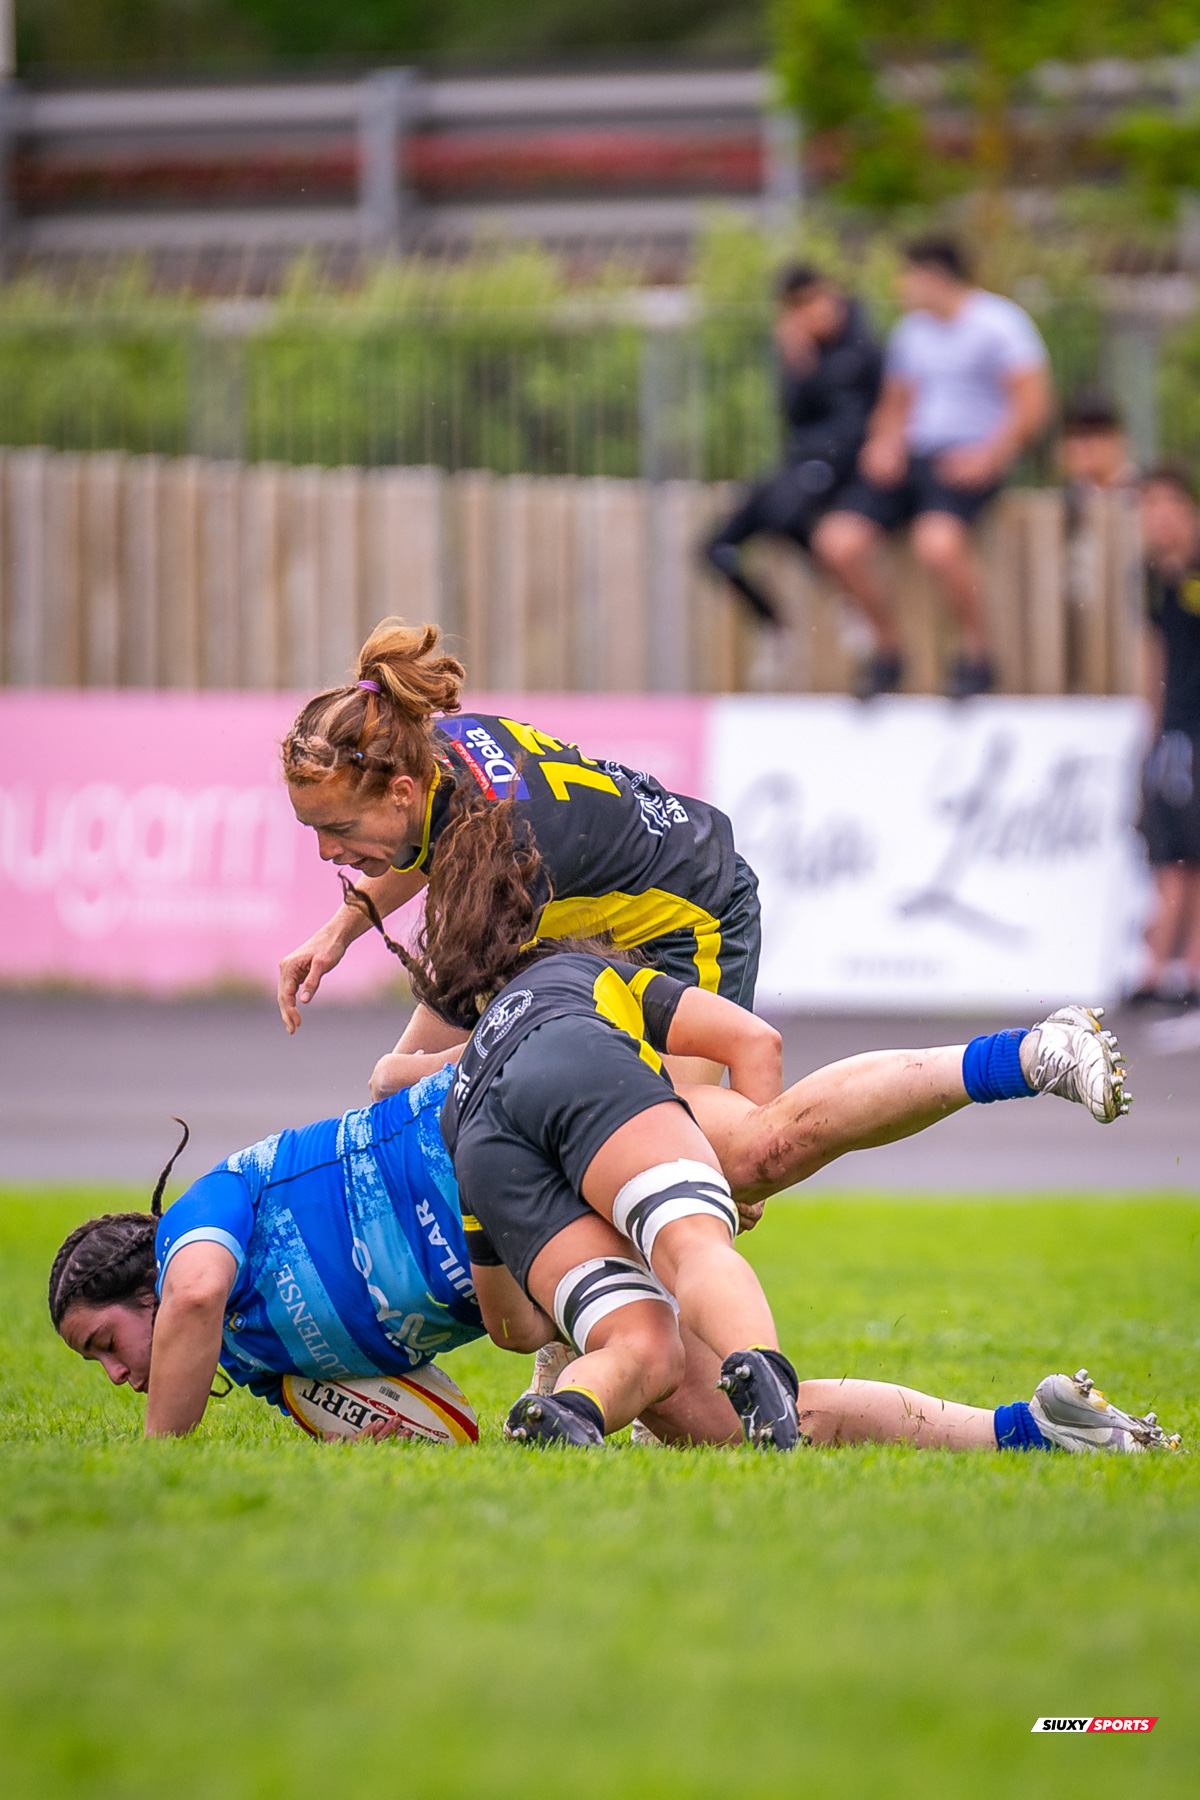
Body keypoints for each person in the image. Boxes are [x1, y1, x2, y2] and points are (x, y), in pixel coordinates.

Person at [350, 792, 1135, 1451]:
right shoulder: (566, 976)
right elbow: (747, 1038)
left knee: (759, 1154)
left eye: (340, 836)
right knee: (718, 1410)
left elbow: (508, 1321)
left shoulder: (496, 1036)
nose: (334, 855)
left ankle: (1028, 1055)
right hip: (561, 1131)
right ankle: (1033, 1433)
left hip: (507, 1163)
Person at [50, 1055, 1171, 1459]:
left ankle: (1022, 1054)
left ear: (137, 1280)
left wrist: (164, 1452)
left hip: (518, 1118)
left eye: (106, 1342)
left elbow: (191, 1295)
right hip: (539, 1225)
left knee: (774, 1143)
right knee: (717, 1426)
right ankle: (1036, 1429)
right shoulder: (265, 1364)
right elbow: (432, 1411)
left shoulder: (205, 1217)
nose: (115, 1370)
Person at [277, 618, 761, 1084]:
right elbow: (416, 844)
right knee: (421, 1102)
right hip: (594, 906)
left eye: (339, 827)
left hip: (695, 914)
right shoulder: (425, 757)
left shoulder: (494, 854)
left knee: (677, 1122)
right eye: (313, 827)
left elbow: (505, 1040)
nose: (325, 850)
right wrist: (337, 934)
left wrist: (396, 1073)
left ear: (401, 792)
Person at [813, 236, 1053, 699]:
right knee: (836, 542)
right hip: (915, 457)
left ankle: (978, 656)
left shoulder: (998, 324)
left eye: (908, 276)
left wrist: (991, 454)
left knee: (937, 545)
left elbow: (1032, 403)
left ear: (935, 277)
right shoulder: (913, 332)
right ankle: (887, 653)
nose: (902, 286)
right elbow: (896, 403)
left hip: (967, 458)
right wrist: (884, 444)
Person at [703, 264, 882, 628]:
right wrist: (796, 364)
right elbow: (796, 418)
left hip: (844, 460)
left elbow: (871, 409)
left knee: (789, 510)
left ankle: (848, 600)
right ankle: (771, 623)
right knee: (716, 546)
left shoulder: (863, 342)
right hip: (803, 460)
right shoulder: (804, 353)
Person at [1130, 464, 1200, 1006]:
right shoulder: (1154, 580)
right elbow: (1156, 660)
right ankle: (1158, 970)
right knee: (1171, 848)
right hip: (1174, 732)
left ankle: (1192, 967)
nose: (1161, 521)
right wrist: (1151, 732)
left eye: (1171, 509)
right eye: (1150, 511)